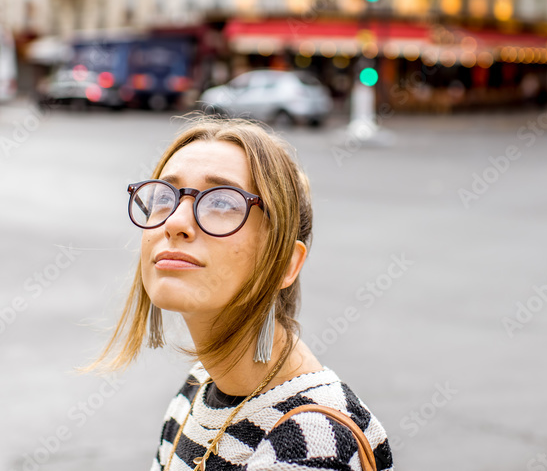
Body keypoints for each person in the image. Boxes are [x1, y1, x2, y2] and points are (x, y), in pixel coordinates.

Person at [80, 115, 394, 470]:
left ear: (285, 264)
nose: (175, 223)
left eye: (223, 202)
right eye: (163, 197)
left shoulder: (312, 436)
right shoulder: (198, 388)